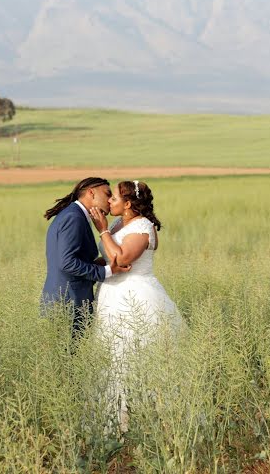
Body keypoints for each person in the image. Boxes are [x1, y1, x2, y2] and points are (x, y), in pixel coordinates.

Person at [89, 180, 184, 431]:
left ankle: (153, 418)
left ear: (128, 203)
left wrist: (101, 230)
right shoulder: (119, 223)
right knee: (114, 355)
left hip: (137, 297)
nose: (109, 201)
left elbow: (122, 258)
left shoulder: (143, 227)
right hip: (112, 295)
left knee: (138, 354)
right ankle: (119, 420)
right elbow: (108, 257)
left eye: (115, 198)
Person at [41, 177, 130, 332]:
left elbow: (71, 258)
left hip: (65, 298)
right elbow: (67, 262)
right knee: (69, 354)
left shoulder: (73, 214)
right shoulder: (74, 218)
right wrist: (108, 271)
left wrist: (100, 262)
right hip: (68, 301)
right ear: (91, 193)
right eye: (107, 194)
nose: (110, 200)